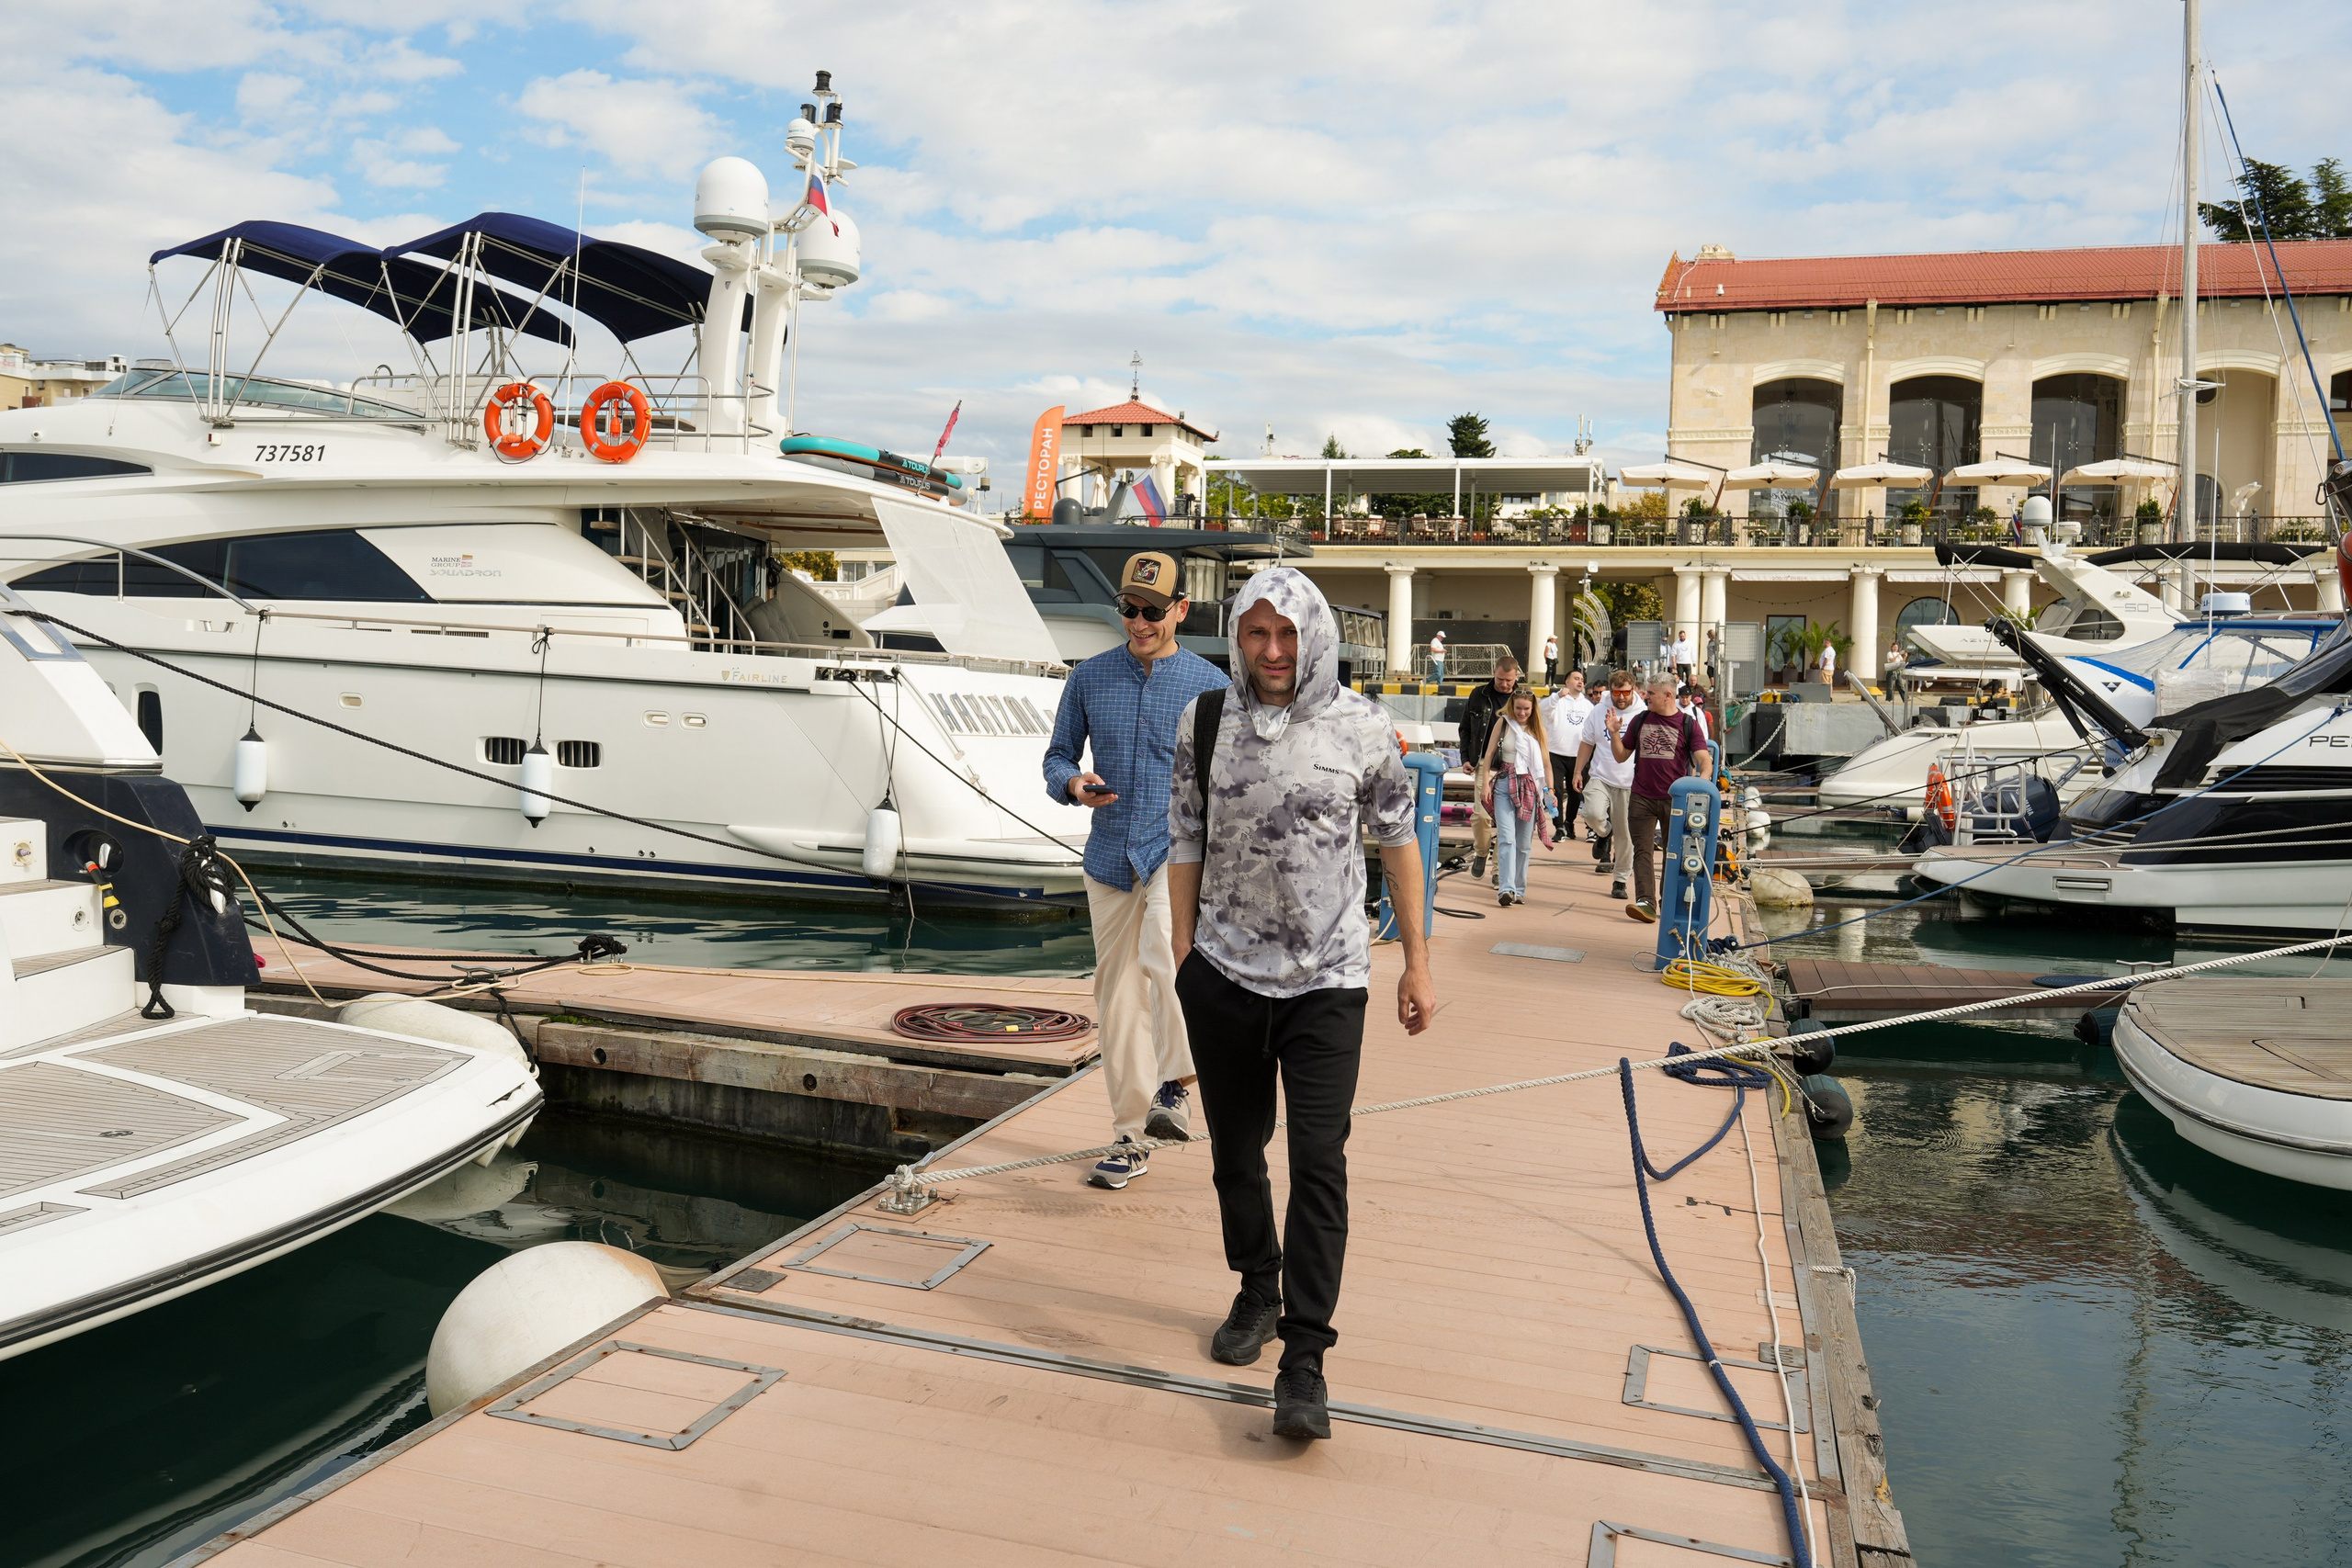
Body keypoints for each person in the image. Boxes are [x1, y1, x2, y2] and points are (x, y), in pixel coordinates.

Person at [1168, 567, 1433, 1443]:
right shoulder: (1206, 720)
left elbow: (1399, 844)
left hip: (1329, 981)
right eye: (1257, 634)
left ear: (1313, 634)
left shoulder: (1361, 727)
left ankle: (1305, 1359)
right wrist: (1183, 957)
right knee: (1237, 1155)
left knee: (1320, 1161)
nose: (1273, 652)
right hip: (1226, 977)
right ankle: (1256, 1284)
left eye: (1287, 635)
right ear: (1238, 636)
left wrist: (1417, 965)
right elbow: (1185, 839)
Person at [1043, 551, 1229, 1190]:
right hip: (1106, 859)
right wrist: (1073, 784)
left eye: (1152, 610)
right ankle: (1130, 1136)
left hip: (1175, 855)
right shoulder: (1089, 678)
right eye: (1129, 608)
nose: (1139, 620)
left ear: (1180, 610)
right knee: (1116, 1002)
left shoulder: (1211, 688)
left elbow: (1228, 780)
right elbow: (1056, 756)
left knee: (1165, 957)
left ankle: (1175, 1085)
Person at [1611, 673, 1714, 922]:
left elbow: (1704, 760)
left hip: (1675, 800)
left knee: (1673, 852)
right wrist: (1614, 733)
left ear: (1668, 695)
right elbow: (1621, 756)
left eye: (1651, 693)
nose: (1645, 697)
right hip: (1641, 797)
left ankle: (1666, 901)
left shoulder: (1688, 724)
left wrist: (1703, 782)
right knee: (1642, 850)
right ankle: (1646, 902)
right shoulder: (1640, 719)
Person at [1476, 687, 1554, 906]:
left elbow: (1546, 764)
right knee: (1506, 837)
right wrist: (1485, 785)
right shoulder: (1503, 723)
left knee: (1523, 843)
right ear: (1512, 706)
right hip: (1504, 782)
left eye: (1526, 709)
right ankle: (1506, 888)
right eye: (1518, 708)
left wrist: (1551, 790)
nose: (1521, 713)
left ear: (1533, 708)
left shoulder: (1539, 729)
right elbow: (1489, 754)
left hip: (1530, 785)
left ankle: (1519, 888)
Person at [1574, 671, 1642, 901]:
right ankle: (1604, 832)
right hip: (1601, 775)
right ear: (1610, 691)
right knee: (1590, 813)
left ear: (1633, 689)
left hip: (1629, 782)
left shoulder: (1642, 713)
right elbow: (1587, 742)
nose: (1621, 697)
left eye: (1626, 692)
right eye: (1616, 692)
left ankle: (1620, 879)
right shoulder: (1599, 710)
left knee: (1626, 837)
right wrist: (1577, 771)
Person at [1456, 656, 1520, 882]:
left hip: (1512, 766)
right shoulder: (1478, 695)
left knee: (1506, 821)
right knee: (1481, 816)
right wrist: (1466, 757)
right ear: (1494, 672)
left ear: (1516, 677)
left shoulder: (1522, 699)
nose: (1504, 685)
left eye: (1509, 681)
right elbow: (1465, 728)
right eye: (1501, 679)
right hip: (1484, 762)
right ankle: (1481, 851)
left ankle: (1499, 872)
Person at [1540, 670, 1592, 836]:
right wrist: (1557, 696)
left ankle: (1569, 822)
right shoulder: (1557, 701)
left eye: (1582, 679)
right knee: (1554, 791)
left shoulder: (1588, 705)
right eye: (1576, 679)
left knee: (1576, 794)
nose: (1580, 682)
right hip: (1555, 753)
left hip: (1578, 756)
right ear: (1567, 682)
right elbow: (1542, 709)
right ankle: (1558, 827)